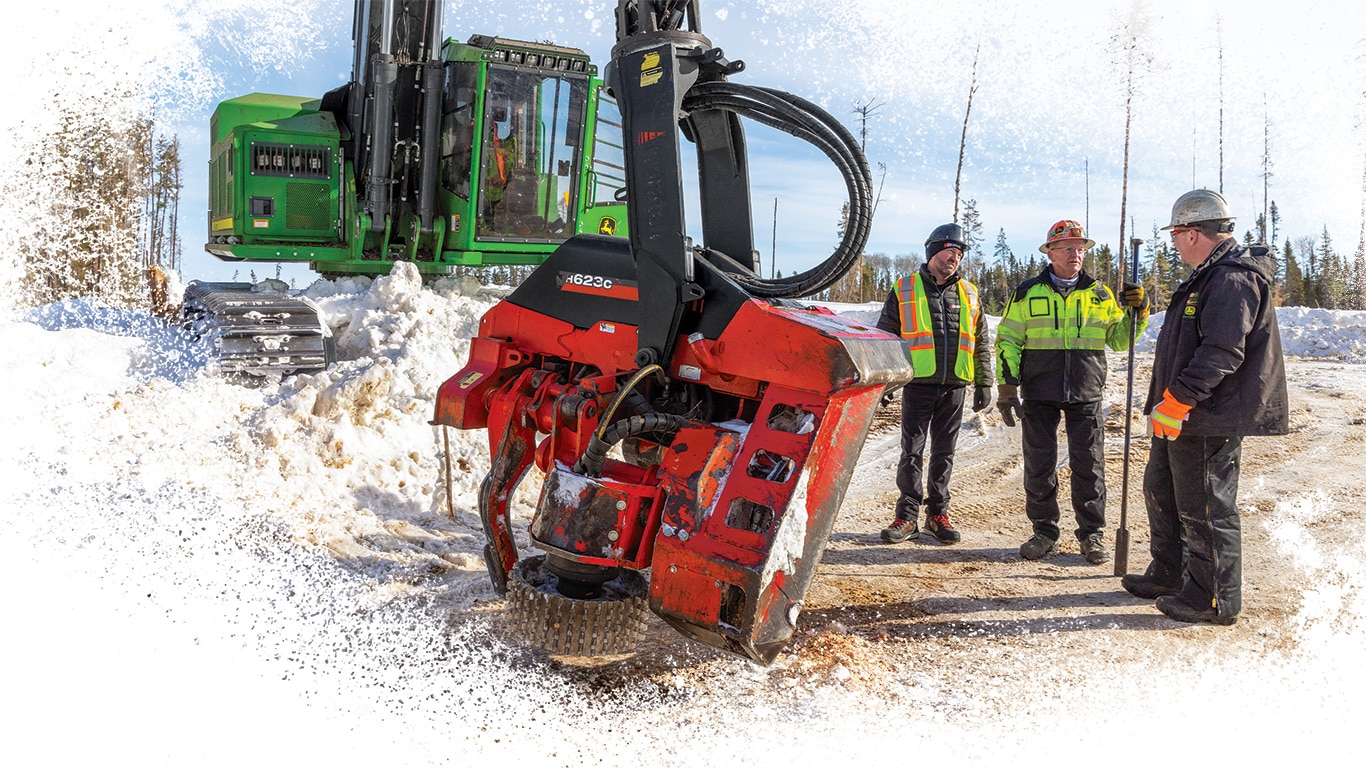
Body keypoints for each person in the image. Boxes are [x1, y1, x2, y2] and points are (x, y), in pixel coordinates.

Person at [1122, 189, 1288, 625]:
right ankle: (1171, 574)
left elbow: (1222, 351)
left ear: (1194, 233)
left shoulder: (1232, 278)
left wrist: (1178, 400)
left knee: (1206, 507)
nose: (1174, 242)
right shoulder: (1206, 276)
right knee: (1162, 490)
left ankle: (1212, 597)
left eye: (1176, 233)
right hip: (1181, 412)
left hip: (1207, 414)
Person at [995, 220, 1149, 564]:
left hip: (1086, 391)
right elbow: (1007, 340)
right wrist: (1007, 389)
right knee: (1039, 464)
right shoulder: (1026, 293)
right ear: (1050, 252)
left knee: (1089, 465)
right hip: (1039, 391)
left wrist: (1138, 312)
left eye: (1080, 248)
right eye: (1068, 248)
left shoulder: (1100, 293)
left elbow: (1120, 340)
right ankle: (1044, 531)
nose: (1076, 254)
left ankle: (1092, 535)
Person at [876, 223, 993, 545]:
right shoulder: (904, 288)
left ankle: (937, 514)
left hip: (955, 385)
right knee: (911, 452)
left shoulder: (969, 293)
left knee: (945, 453)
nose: (954, 258)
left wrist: (985, 383)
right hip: (918, 385)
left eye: (958, 253)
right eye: (949, 251)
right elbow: (885, 339)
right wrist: (886, 384)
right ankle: (907, 516)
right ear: (932, 252)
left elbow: (981, 342)